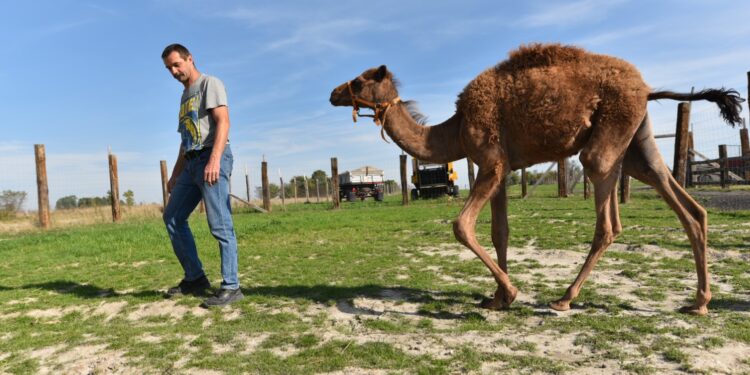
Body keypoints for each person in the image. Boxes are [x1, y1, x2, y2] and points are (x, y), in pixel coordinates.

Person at [161, 43, 243, 307]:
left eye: (177, 64)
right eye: (169, 68)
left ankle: (232, 286)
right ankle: (195, 278)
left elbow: (223, 122)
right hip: (191, 162)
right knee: (172, 216)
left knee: (219, 224)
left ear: (189, 59)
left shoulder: (210, 84)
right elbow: (186, 138)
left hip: (212, 157)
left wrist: (215, 161)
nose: (174, 71)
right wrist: (175, 173)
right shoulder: (185, 97)